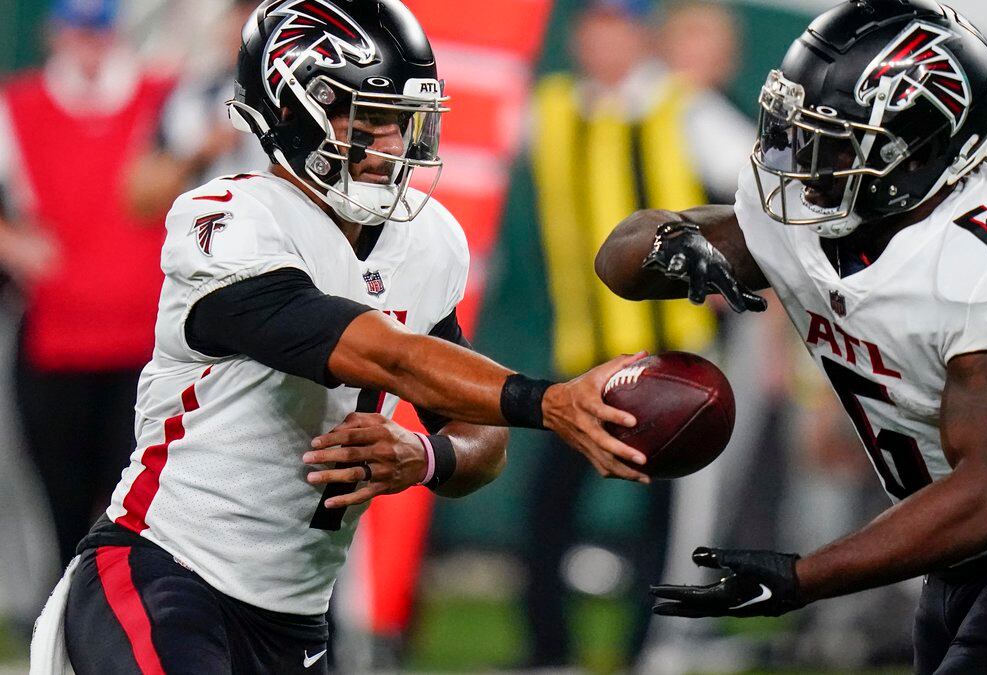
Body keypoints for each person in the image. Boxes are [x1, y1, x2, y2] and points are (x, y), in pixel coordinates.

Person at [29, 1, 649, 673]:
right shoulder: (229, 222)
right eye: (369, 120)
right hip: (164, 577)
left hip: (296, 619)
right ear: (291, 114)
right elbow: (376, 351)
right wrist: (548, 402)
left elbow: (473, 426)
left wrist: (428, 455)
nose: (392, 145)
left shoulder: (427, 241)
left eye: (403, 121)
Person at [593, 1, 987, 672]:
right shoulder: (811, 210)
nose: (802, 159)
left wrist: (803, 575)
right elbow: (621, 255)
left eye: (833, 139)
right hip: (956, 555)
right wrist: (674, 247)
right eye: (798, 130)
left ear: (916, 148)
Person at [498, 0, 752, 666]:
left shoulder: (684, 107)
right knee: (546, 506)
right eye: (595, 27)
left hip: (677, 352)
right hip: (584, 350)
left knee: (670, 516)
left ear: (640, 37)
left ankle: (659, 646)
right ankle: (549, 650)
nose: (605, 41)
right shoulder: (548, 108)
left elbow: (762, 188)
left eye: (619, 27)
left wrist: (731, 265)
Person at [0, 0, 175, 571]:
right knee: (62, 510)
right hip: (58, 342)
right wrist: (14, 242)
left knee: (144, 513)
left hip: (149, 350)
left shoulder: (164, 98)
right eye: (78, 29)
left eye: (98, 29)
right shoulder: (20, 106)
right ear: (56, 33)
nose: (89, 43)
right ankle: (64, 631)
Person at [125, 0, 266, 220]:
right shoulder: (191, 95)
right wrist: (201, 153)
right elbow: (139, 200)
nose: (248, 26)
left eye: (258, 17)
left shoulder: (299, 92)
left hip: (275, 236)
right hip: (204, 237)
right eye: (241, 14)